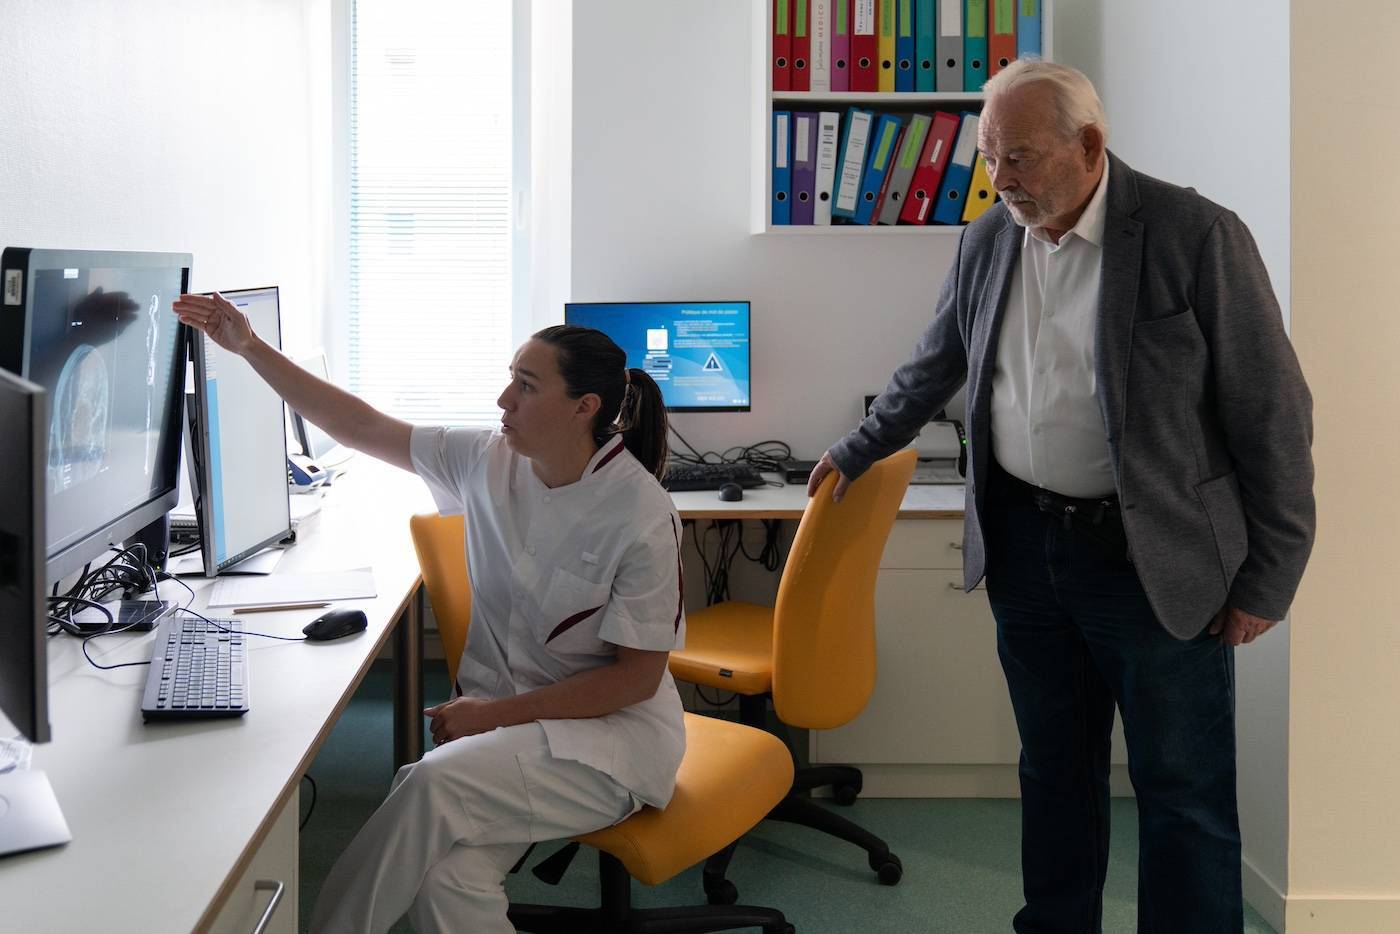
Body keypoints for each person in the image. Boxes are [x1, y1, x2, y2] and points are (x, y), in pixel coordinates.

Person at [807, 60, 1314, 932]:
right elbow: (935, 366)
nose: (1001, 180)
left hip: (1153, 561)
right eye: (989, 157)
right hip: (1026, 551)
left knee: (1181, 790)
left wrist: (1271, 576)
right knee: (1051, 772)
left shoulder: (1195, 235)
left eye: (1021, 157)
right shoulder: (987, 239)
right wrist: (856, 450)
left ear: (1090, 146)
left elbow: (1273, 411)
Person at [172, 295, 686, 934]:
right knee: (448, 879)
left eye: (525, 386)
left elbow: (635, 680)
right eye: (509, 379)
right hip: (505, 735)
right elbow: (358, 426)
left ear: (584, 408)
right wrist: (249, 346)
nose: (504, 400)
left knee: (430, 783)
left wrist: (493, 714)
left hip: (609, 744)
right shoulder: (486, 458)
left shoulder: (640, 514)